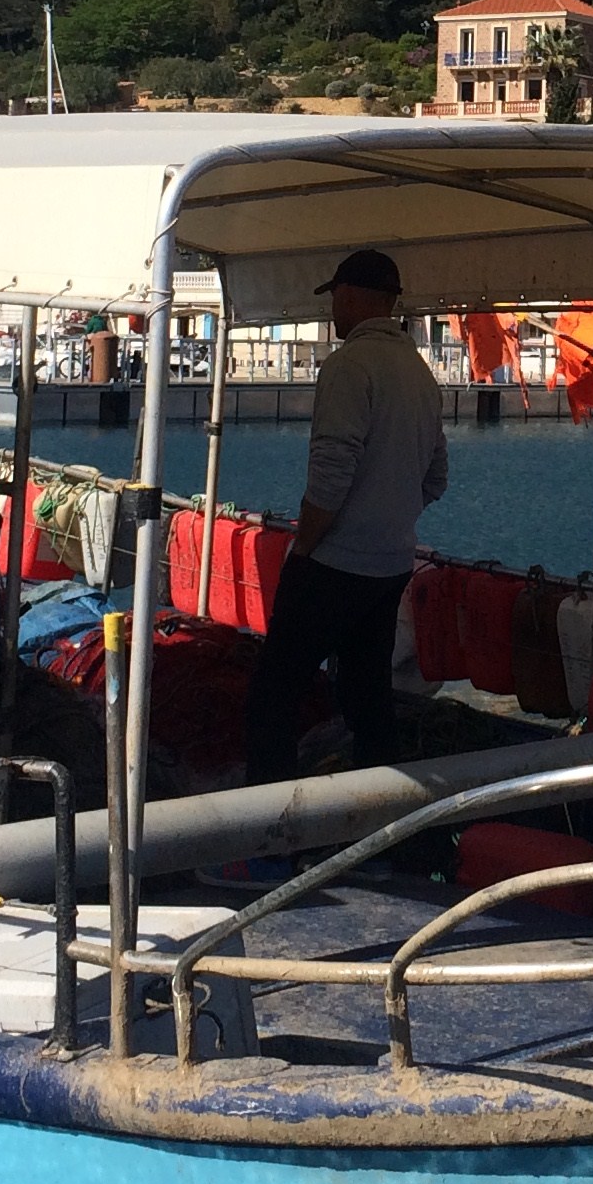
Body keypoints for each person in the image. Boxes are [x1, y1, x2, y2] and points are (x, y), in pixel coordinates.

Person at [236, 246, 448, 810]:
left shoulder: (350, 366)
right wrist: (391, 514)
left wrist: (305, 546)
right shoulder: (419, 371)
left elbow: (332, 475)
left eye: (334, 296)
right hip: (391, 564)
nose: (333, 308)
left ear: (351, 296)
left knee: (274, 695)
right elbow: (436, 476)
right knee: (367, 698)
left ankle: (267, 830)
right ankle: (380, 827)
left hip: (335, 561)